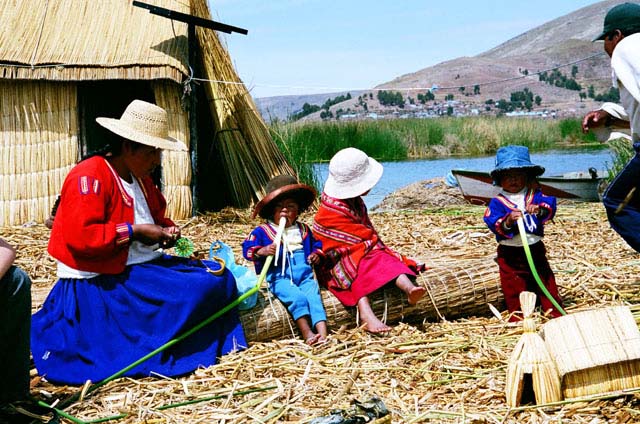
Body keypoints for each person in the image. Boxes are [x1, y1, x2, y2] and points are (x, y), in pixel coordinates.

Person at [31, 99, 246, 385]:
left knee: (217, 276)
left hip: (141, 267)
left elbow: (156, 217)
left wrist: (167, 233)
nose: (157, 159)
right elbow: (83, 238)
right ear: (128, 146)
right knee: (196, 290)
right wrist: (134, 231)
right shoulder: (90, 175)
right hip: (103, 281)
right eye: (152, 151)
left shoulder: (141, 177)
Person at [312, 148, 426, 334]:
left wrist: (368, 248)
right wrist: (364, 249)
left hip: (364, 252)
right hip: (333, 261)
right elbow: (331, 243)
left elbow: (365, 236)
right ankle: (367, 316)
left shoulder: (355, 201)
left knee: (383, 258)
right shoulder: (329, 210)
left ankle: (410, 289)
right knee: (353, 272)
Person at [242, 175, 328, 346]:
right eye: (279, 207)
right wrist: (262, 251)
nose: (284, 211)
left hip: (304, 275)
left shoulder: (303, 229)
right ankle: (307, 333)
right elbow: (247, 248)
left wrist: (316, 255)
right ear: (270, 211)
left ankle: (324, 334)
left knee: (314, 298)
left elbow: (316, 245)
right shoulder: (263, 231)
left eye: (290, 207)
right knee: (297, 299)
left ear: (298, 210)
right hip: (278, 276)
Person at [582, 2, 640, 252]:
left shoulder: (628, 46)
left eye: (606, 40)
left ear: (615, 35)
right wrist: (608, 116)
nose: (606, 49)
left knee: (619, 202)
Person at [483, 145, 563, 321]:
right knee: (513, 284)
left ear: (527, 176)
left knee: (544, 280)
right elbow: (491, 220)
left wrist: (539, 210)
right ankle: (518, 317)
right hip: (510, 252)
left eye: (518, 175)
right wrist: (508, 221)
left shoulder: (536, 195)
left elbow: (549, 207)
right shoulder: (497, 202)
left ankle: (553, 312)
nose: (513, 180)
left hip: (534, 248)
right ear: (499, 179)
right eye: (508, 176)